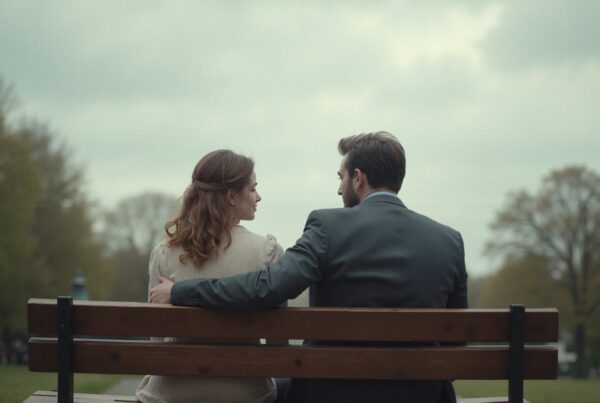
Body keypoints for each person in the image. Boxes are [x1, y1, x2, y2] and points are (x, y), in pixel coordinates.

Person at [150, 132, 468, 403]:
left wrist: (180, 290)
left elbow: (267, 288)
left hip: (332, 392)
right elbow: (456, 344)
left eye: (341, 178)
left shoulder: (328, 227)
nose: (339, 189)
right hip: (421, 394)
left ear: (358, 178)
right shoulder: (449, 240)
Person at [136, 149, 283, 403]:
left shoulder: (164, 254)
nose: (258, 197)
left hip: (168, 395)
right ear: (232, 196)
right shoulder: (267, 253)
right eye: (253, 189)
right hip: (247, 394)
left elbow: (156, 336)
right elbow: (278, 339)